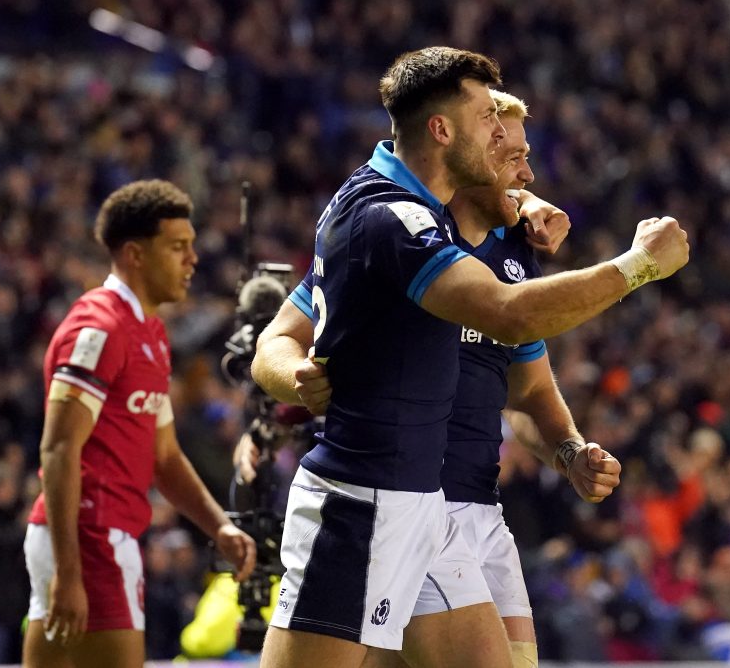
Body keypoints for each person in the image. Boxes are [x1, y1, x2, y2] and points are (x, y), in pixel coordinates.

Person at [250, 46, 688, 668]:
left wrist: (522, 205)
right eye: (488, 120)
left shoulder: (434, 215)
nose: (502, 136)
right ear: (441, 129)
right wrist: (638, 266)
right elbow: (507, 311)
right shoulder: (388, 218)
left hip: (425, 505)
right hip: (358, 501)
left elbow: (526, 368)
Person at [22, 180, 257, 668]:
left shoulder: (149, 332)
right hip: (91, 536)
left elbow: (164, 456)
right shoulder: (100, 328)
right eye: (177, 247)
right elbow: (59, 450)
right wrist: (70, 570)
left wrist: (219, 527)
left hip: (91, 536)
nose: (192, 259)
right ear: (135, 255)